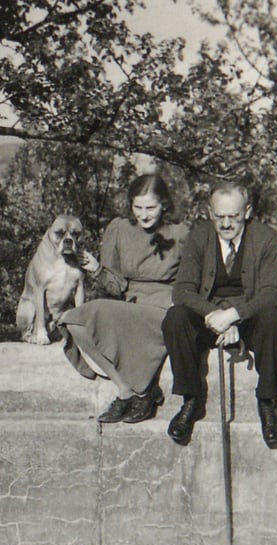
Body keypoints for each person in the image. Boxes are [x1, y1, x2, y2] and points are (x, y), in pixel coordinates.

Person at [161, 181, 277, 447]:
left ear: (247, 212)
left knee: (273, 320)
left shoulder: (266, 239)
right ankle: (191, 400)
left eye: (233, 216)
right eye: (220, 217)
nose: (227, 224)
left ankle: (268, 403)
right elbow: (183, 290)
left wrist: (234, 315)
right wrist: (216, 315)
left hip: (248, 318)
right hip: (211, 318)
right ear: (210, 213)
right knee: (176, 318)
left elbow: (273, 292)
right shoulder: (199, 237)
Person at [59, 174, 189, 424]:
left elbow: (191, 280)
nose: (144, 214)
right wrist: (97, 269)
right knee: (74, 321)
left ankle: (141, 391)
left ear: (164, 205)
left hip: (165, 306)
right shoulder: (118, 228)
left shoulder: (180, 232)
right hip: (129, 303)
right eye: (137, 207)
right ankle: (127, 390)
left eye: (151, 207)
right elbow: (116, 287)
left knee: (94, 318)